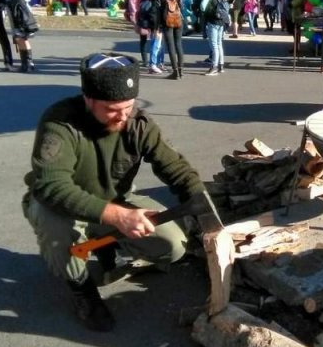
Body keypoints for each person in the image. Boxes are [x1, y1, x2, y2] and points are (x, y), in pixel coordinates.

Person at [22, 53, 207, 331]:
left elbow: (176, 168)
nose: (122, 116)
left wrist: (203, 206)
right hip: (64, 207)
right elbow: (51, 186)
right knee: (55, 228)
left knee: (175, 247)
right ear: (88, 99)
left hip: (116, 201)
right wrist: (118, 217)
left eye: (129, 107)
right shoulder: (60, 123)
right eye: (111, 109)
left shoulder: (138, 123)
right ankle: (82, 290)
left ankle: (108, 245)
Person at [2, 0, 38, 72]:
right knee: (18, 38)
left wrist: (13, 2)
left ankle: (29, 63)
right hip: (13, 15)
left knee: (23, 38)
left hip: (21, 15)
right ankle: (24, 63)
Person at [156, 0, 186, 80]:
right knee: (179, 44)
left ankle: (175, 72)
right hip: (178, 19)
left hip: (166, 20)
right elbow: (182, 5)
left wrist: (158, 25)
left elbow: (157, 10)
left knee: (171, 46)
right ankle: (181, 70)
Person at [127, 0, 155, 67]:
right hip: (141, 15)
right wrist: (134, 15)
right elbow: (132, 1)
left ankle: (154, 60)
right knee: (143, 38)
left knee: (154, 39)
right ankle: (145, 61)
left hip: (151, 15)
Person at [201, 0, 229, 75]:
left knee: (213, 45)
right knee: (219, 43)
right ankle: (221, 65)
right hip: (221, 19)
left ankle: (214, 66)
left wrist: (207, 12)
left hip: (212, 19)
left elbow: (202, 7)